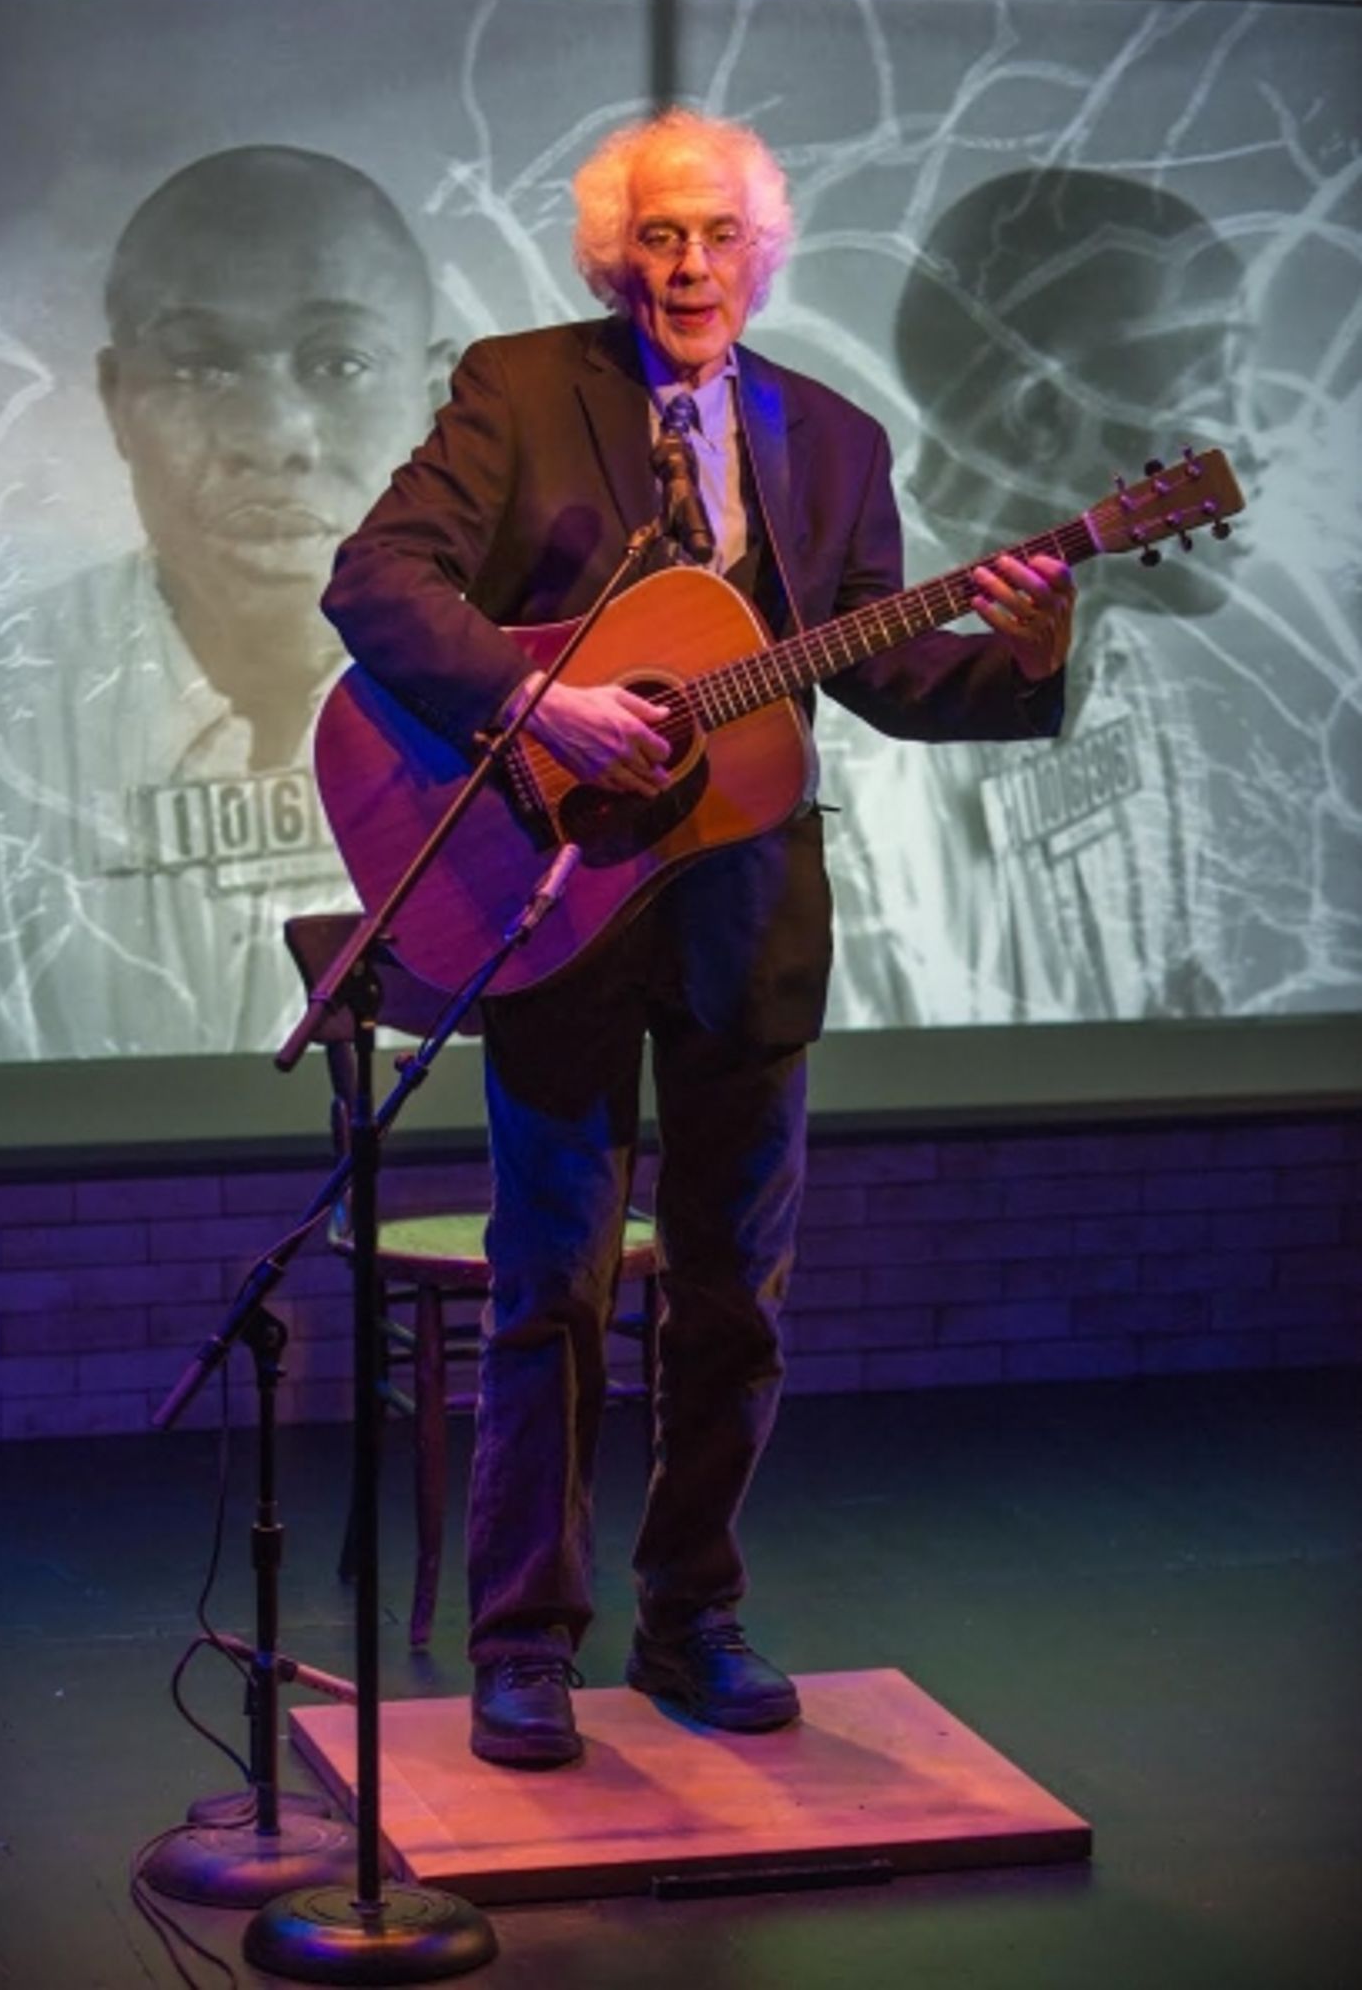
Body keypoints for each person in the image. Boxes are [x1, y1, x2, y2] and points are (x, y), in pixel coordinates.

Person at [323, 108, 1077, 1769]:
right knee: (555, 1291)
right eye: (658, 237)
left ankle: (694, 1622)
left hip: (748, 918)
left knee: (736, 1300)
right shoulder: (522, 391)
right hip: (557, 899)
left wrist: (1026, 643)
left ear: (761, 253)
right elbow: (378, 583)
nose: (686, 266)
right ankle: (524, 1645)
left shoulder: (831, 439)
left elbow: (878, 677)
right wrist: (540, 702)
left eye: (716, 236)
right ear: (615, 254)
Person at [0, 145, 443, 1061]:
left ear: (433, 394)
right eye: (202, 367)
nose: (271, 439)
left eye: (338, 363)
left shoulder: (553, 691)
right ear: (116, 399)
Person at [820, 169, 1249, 1028]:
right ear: (1041, 414)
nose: (1248, 436)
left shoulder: (1121, 665)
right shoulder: (867, 730)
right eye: (1211, 380)